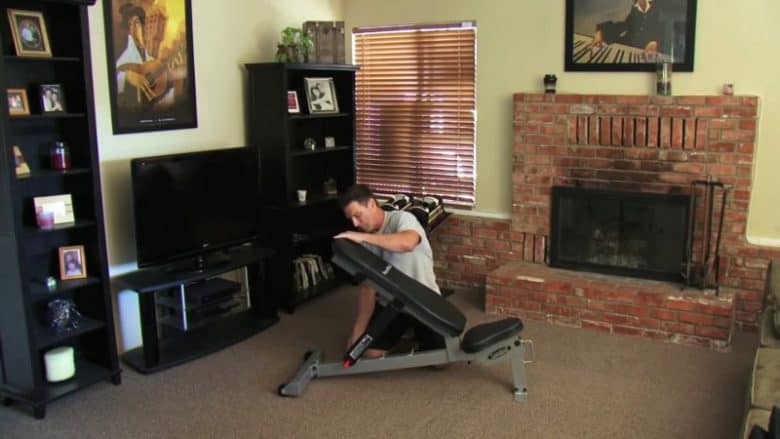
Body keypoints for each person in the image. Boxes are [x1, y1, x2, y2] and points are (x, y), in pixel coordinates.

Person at [335, 184, 443, 359]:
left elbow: (407, 243)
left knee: (442, 361)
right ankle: (403, 340)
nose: (355, 223)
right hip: (391, 306)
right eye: (351, 219)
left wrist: (363, 238)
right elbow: (367, 287)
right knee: (369, 352)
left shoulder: (402, 219)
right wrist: (358, 331)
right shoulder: (365, 238)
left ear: (371, 204)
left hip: (424, 302)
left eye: (357, 215)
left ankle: (414, 333)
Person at [114, 2, 174, 108]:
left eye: (136, 23)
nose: (133, 28)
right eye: (130, 25)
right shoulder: (124, 57)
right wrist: (128, 76)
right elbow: (114, 83)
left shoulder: (150, 60)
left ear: (143, 25)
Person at [592, 0, 668, 58]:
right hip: (630, 47)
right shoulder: (635, 8)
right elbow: (625, 25)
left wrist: (656, 42)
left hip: (648, 52)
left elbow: (666, 28)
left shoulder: (660, 6)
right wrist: (602, 31)